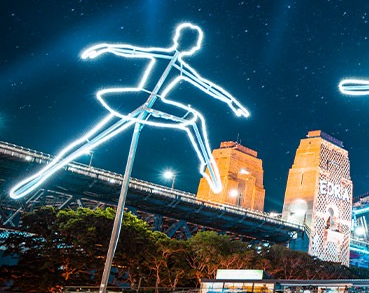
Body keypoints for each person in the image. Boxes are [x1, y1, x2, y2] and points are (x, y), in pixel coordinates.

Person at [10, 23, 249, 199]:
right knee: (91, 139)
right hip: (140, 99)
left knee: (193, 120)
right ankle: (212, 174)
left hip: (150, 103)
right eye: (193, 42)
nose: (194, 46)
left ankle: (212, 174)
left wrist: (232, 103)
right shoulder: (169, 59)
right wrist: (105, 48)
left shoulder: (180, 67)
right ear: (186, 42)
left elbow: (207, 87)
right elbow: (132, 51)